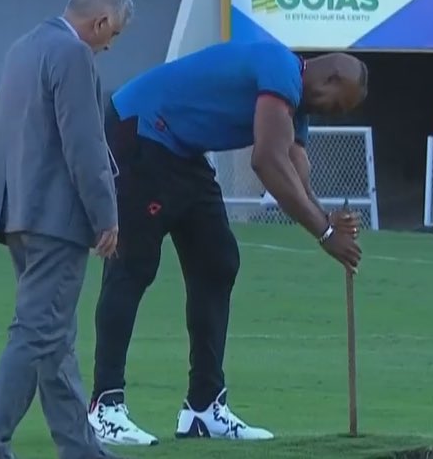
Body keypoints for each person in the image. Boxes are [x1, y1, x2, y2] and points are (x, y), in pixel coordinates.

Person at [87, 41, 367, 446]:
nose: (334, 114)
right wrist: (324, 233)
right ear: (331, 77)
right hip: (141, 127)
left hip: (181, 149)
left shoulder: (296, 102)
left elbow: (294, 163)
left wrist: (327, 218)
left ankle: (203, 409)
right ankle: (104, 407)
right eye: (338, 105)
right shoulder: (280, 68)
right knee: (133, 264)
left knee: (217, 262)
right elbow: (267, 160)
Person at [0, 0, 133, 459]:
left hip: (16, 211)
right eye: (114, 34)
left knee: (54, 340)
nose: (109, 45)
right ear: (100, 21)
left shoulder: (23, 48)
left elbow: (3, 129)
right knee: (37, 332)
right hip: (57, 218)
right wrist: (106, 215)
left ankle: (81, 449)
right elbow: (85, 143)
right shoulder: (73, 53)